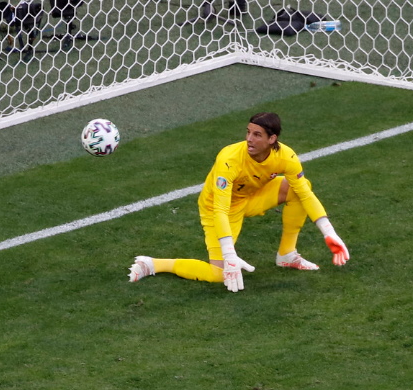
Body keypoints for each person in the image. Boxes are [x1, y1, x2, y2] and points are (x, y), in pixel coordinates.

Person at [127, 111, 350, 292]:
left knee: (300, 187)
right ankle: (154, 264)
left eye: (257, 135)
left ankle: (287, 255)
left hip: (253, 196)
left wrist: (329, 232)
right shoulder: (229, 159)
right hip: (219, 207)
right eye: (248, 132)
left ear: (272, 140)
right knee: (217, 274)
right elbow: (221, 209)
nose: (249, 139)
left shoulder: (286, 156)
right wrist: (229, 254)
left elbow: (305, 194)